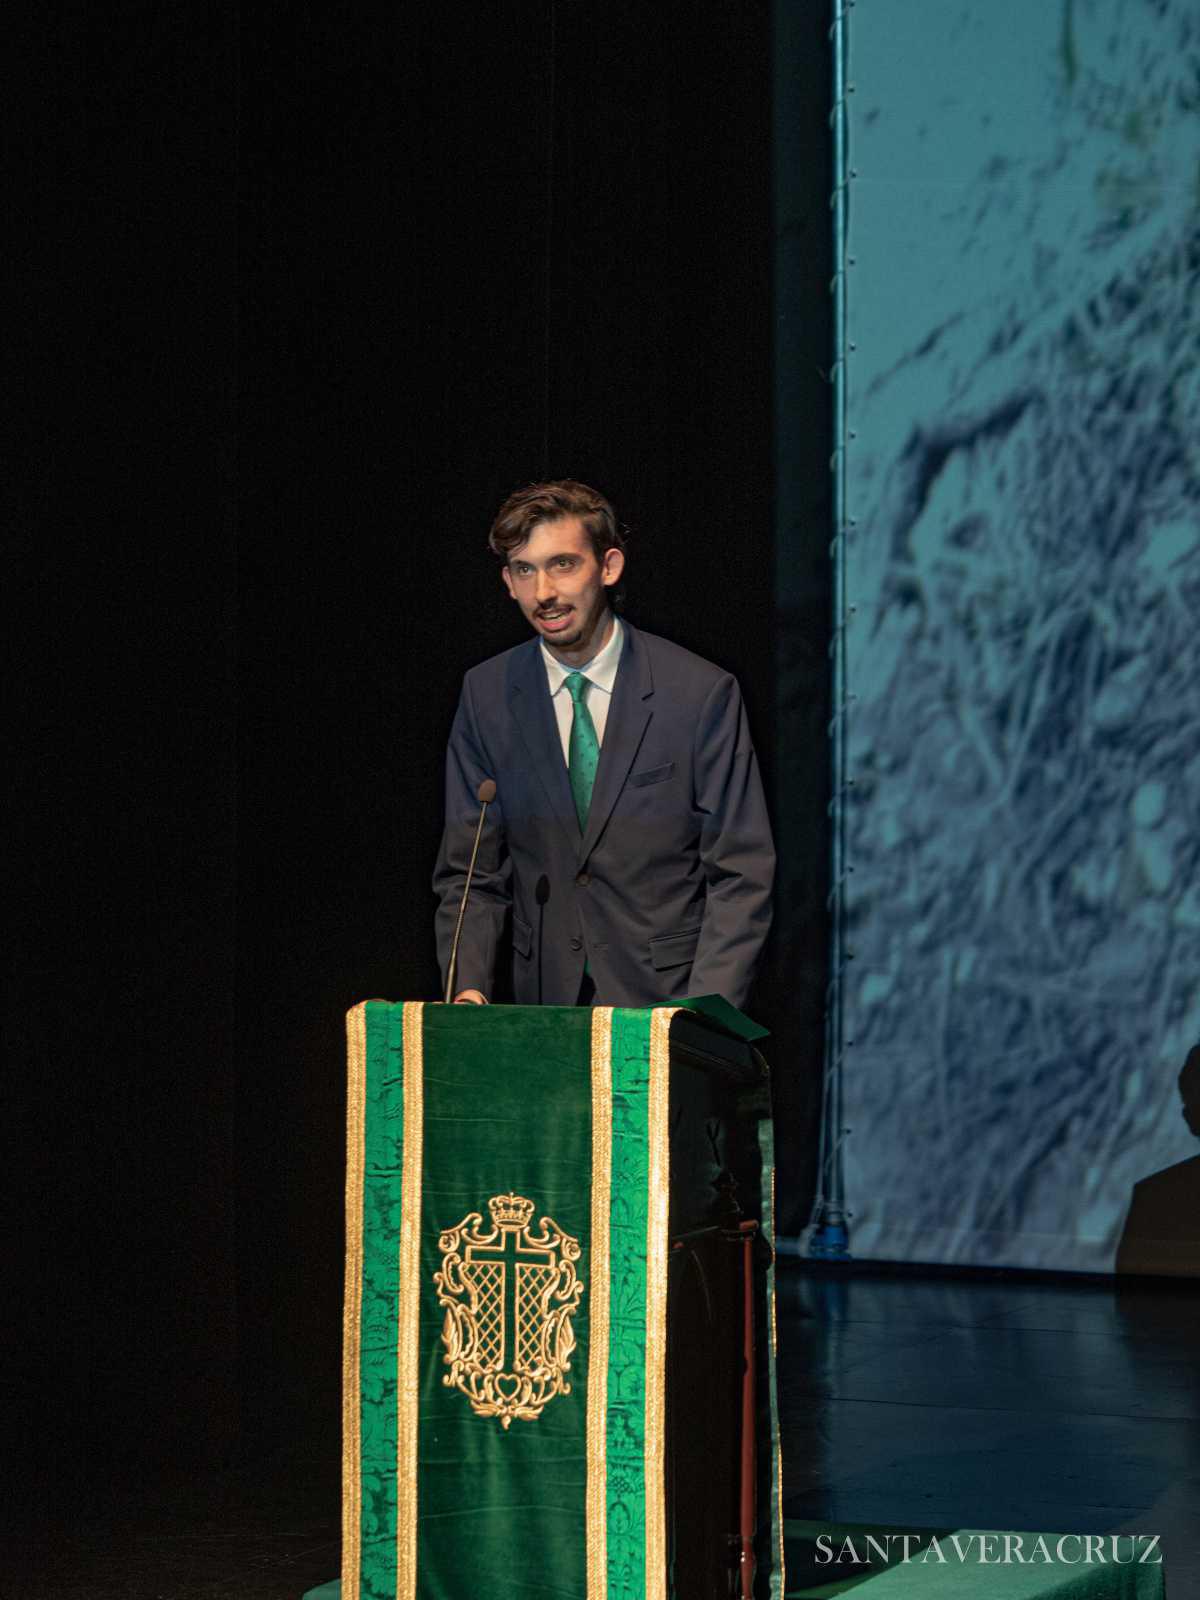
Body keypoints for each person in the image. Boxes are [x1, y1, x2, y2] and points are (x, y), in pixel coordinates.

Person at [433, 479, 774, 1009]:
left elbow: (741, 874)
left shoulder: (699, 693)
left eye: (563, 564)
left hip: (665, 1008)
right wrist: (468, 987)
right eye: (525, 570)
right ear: (508, 581)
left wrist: (703, 1019)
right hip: (544, 1011)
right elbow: (472, 870)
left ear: (609, 567)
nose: (543, 591)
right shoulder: (487, 695)